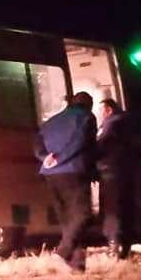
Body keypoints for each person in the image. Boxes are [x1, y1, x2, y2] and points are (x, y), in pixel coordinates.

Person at [34, 92, 97, 271]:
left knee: (68, 219)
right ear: (88, 105)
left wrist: (45, 157)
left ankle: (77, 264)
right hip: (74, 171)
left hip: (51, 174)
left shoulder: (53, 120)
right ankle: (63, 251)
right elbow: (83, 143)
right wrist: (62, 159)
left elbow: (37, 141)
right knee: (83, 214)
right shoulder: (87, 117)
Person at [95, 98, 140, 259]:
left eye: (101, 110)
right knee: (125, 207)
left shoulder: (111, 123)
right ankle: (125, 246)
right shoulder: (127, 123)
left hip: (111, 172)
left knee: (112, 209)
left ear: (108, 109)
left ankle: (114, 246)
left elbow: (100, 144)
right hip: (124, 172)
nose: (100, 114)